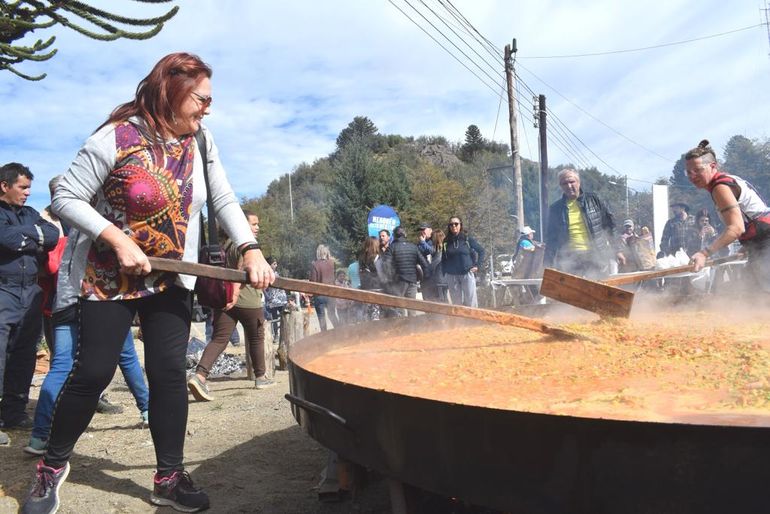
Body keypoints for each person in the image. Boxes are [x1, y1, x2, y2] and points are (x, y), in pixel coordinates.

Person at [21, 53, 274, 514]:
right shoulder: (116, 137)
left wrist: (250, 247)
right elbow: (64, 196)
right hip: (107, 277)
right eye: (202, 99)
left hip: (173, 278)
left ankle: (169, 478)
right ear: (171, 90)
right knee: (94, 372)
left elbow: (222, 197)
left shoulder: (201, 142)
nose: (208, 109)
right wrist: (116, 238)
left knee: (167, 374)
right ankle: (50, 468)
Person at [0, 163, 59, 447]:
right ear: (4, 186)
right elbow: (6, 239)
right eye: (22, 187)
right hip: (3, 290)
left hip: (30, 293)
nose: (27, 193)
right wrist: (32, 237)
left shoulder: (30, 213)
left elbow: (51, 235)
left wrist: (25, 235)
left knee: (24, 354)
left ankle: (14, 413)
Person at [188, 211, 275, 402]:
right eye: (253, 224)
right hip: (247, 301)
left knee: (219, 339)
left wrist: (229, 299)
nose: (257, 227)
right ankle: (261, 377)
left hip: (224, 301)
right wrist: (235, 294)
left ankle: (199, 376)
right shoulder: (246, 247)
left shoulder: (224, 245)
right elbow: (240, 271)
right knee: (256, 338)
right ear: (241, 225)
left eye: (257, 224)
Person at [685, 139, 770, 291]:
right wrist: (748, 246)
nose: (692, 176)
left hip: (765, 241)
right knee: (751, 294)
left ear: (712, 167)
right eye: (689, 172)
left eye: (698, 170)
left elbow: (736, 228)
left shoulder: (720, 187)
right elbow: (750, 216)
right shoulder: (725, 182)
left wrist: (705, 253)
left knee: (759, 293)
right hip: (761, 241)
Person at [544, 168, 620, 279]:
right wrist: (547, 263)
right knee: (574, 293)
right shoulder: (556, 208)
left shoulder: (594, 200)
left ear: (578, 182)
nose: (569, 186)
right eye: (564, 183)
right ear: (561, 186)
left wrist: (618, 250)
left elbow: (610, 226)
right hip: (570, 259)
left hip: (596, 255)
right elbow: (551, 239)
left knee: (598, 291)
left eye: (571, 182)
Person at [386, 226, 429, 316]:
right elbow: (424, 263)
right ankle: (412, 327)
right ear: (405, 235)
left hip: (399, 281)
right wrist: (425, 278)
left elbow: (386, 265)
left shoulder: (392, 247)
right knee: (412, 307)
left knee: (399, 307)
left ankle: (401, 328)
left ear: (394, 236)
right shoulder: (413, 247)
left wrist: (389, 279)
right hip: (413, 280)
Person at [442, 216, 485, 307]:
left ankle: (473, 320)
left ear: (460, 225)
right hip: (451, 275)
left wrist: (477, 266)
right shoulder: (446, 241)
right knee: (456, 303)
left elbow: (481, 251)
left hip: (466, 273)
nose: (454, 226)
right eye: (451, 224)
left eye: (456, 224)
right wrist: (444, 273)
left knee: (471, 301)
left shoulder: (467, 239)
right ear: (449, 227)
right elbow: (443, 258)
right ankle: (459, 321)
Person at [309, 244, 337, 331]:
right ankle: (340, 332)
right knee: (332, 315)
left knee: (321, 317)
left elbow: (313, 282)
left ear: (318, 253)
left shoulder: (315, 265)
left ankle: (324, 337)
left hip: (319, 295)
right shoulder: (332, 263)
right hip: (331, 293)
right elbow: (334, 278)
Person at [263, 256, 288, 341]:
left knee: (283, 317)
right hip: (272, 300)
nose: (276, 265)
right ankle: (276, 335)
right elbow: (263, 287)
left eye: (276, 263)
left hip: (281, 299)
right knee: (274, 318)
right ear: (269, 265)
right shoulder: (266, 274)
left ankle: (283, 335)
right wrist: (267, 296)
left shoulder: (277, 273)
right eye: (274, 264)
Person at [358, 237, 383, 320]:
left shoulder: (361, 258)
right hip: (377, 288)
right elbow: (381, 274)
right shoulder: (378, 258)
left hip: (365, 288)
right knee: (376, 314)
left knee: (367, 314)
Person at [420, 229, 447, 302]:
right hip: (444, 278)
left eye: (432, 237)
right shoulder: (445, 246)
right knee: (444, 298)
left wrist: (423, 241)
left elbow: (430, 250)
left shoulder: (438, 247)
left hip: (438, 278)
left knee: (440, 300)